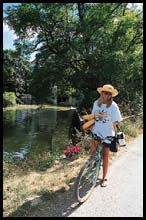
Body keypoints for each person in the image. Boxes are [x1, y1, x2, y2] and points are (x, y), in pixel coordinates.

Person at [90, 84, 122, 187]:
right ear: (102, 93)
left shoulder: (113, 106)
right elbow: (93, 116)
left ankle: (104, 177)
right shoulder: (96, 103)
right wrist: (90, 125)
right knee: (92, 152)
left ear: (111, 95)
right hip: (96, 131)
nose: (106, 95)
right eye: (105, 92)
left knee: (105, 156)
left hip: (107, 133)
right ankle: (92, 169)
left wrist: (113, 123)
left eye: (109, 93)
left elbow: (117, 120)